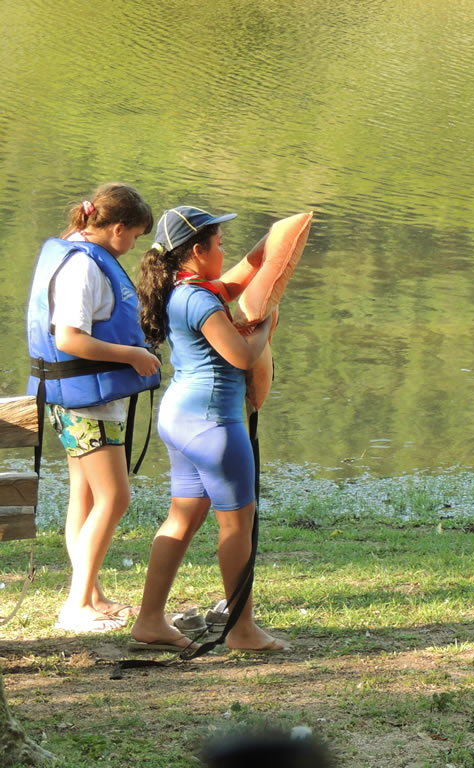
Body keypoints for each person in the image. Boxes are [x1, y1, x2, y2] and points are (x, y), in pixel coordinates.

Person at [129, 205, 286, 652]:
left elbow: (235, 280)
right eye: (218, 244)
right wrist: (267, 320)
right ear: (197, 251)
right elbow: (242, 354)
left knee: (183, 517)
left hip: (181, 418)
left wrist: (272, 246)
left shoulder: (181, 288)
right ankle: (241, 629)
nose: (224, 250)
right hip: (212, 422)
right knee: (237, 524)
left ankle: (150, 621)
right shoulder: (198, 299)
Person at [25, 183, 161, 633]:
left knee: (84, 496)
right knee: (114, 497)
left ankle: (92, 595)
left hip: (75, 397)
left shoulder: (73, 250)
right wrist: (133, 356)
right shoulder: (83, 266)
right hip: (86, 403)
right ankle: (76, 604)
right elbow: (69, 338)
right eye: (135, 236)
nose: (134, 245)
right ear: (117, 228)